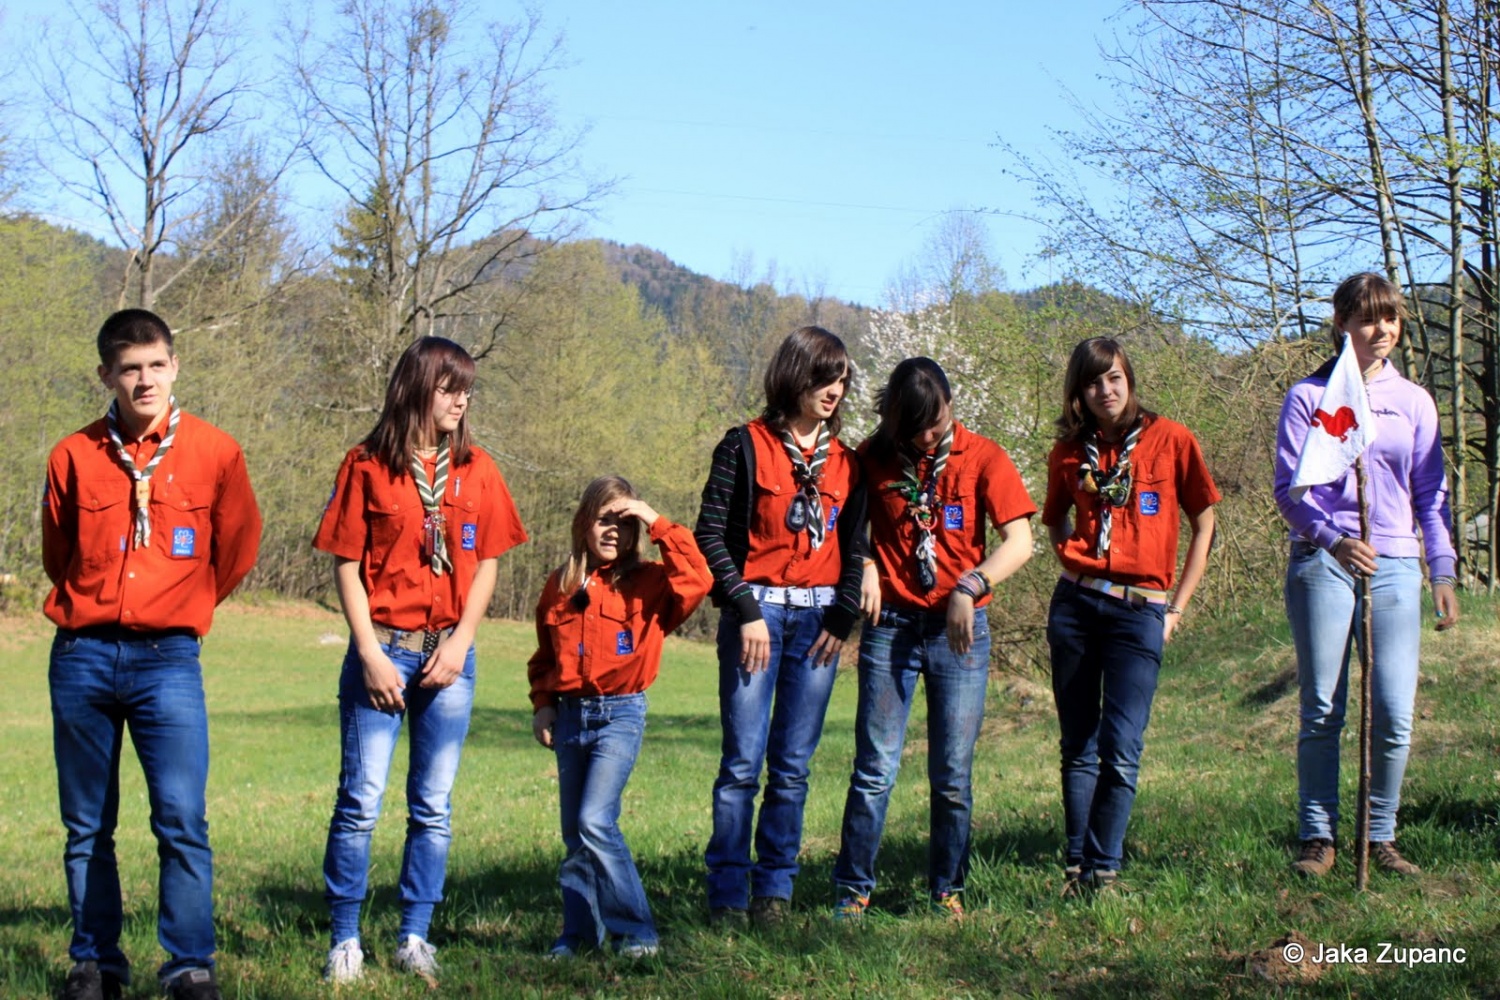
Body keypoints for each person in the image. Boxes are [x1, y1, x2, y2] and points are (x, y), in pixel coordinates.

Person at [41, 309, 262, 1000]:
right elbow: (59, 557)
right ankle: (96, 961)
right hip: (82, 656)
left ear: (175, 366)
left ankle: (188, 964)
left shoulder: (215, 453)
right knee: (86, 825)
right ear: (106, 374)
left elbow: (238, 549)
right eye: (129, 368)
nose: (144, 380)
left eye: (156, 364)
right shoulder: (72, 456)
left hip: (168, 660)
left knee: (180, 818)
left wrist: (183, 605)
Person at [312, 336, 526, 983]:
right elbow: (346, 567)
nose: (461, 399)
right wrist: (369, 652)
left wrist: (461, 642)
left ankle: (414, 935)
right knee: (361, 801)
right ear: (415, 389)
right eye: (448, 387)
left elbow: (488, 562)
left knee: (433, 804)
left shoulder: (478, 470)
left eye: (467, 389)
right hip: (384, 653)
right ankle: (345, 939)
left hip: (449, 660)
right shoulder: (367, 465)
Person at [832, 357, 1035, 920]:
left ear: (950, 404)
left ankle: (947, 890)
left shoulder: (985, 457)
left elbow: (1020, 540)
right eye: (916, 426)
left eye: (937, 421)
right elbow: (845, 530)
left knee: (951, 774)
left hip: (958, 634)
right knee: (875, 768)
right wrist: (864, 561)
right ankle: (852, 893)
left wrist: (971, 586)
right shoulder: (872, 457)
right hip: (890, 627)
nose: (928, 435)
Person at [1274, 273, 1460, 879]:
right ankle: (1319, 838)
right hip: (1324, 563)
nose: (1381, 330)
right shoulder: (1310, 397)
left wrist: (1442, 570)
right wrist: (1335, 539)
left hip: (1397, 564)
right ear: (1341, 325)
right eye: (1366, 319)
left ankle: (1380, 836)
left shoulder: (1415, 403)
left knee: (1393, 710)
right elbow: (1291, 492)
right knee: (1323, 706)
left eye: (1390, 318)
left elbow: (1430, 492)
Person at [697, 326, 867, 926]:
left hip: (819, 621)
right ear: (795, 376)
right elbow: (709, 537)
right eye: (825, 376)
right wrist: (744, 610)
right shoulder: (743, 446)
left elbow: (855, 549)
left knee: (793, 765)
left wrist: (843, 617)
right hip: (757, 616)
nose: (835, 390)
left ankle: (775, 892)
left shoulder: (849, 464)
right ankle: (727, 895)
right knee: (742, 764)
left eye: (842, 379)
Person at [1041, 337, 1219, 894]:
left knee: (1121, 744)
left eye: (1114, 378)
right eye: (1094, 383)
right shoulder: (1069, 452)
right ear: (1080, 392)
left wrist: (1177, 607)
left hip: (1141, 610)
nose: (1106, 391)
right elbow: (1053, 520)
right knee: (1079, 743)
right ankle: (1077, 867)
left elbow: (1204, 521)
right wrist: (1077, 566)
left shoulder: (1172, 441)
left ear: (1130, 379)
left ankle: (1105, 866)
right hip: (1075, 607)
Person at [528, 476, 712, 958]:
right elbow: (544, 657)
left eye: (624, 523)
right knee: (576, 835)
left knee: (595, 819)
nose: (613, 531)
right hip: (570, 718)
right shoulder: (561, 585)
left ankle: (637, 931)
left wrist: (653, 518)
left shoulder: (652, 583)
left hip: (620, 714)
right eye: (603, 519)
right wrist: (544, 704)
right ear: (583, 524)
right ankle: (579, 934)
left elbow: (699, 577)